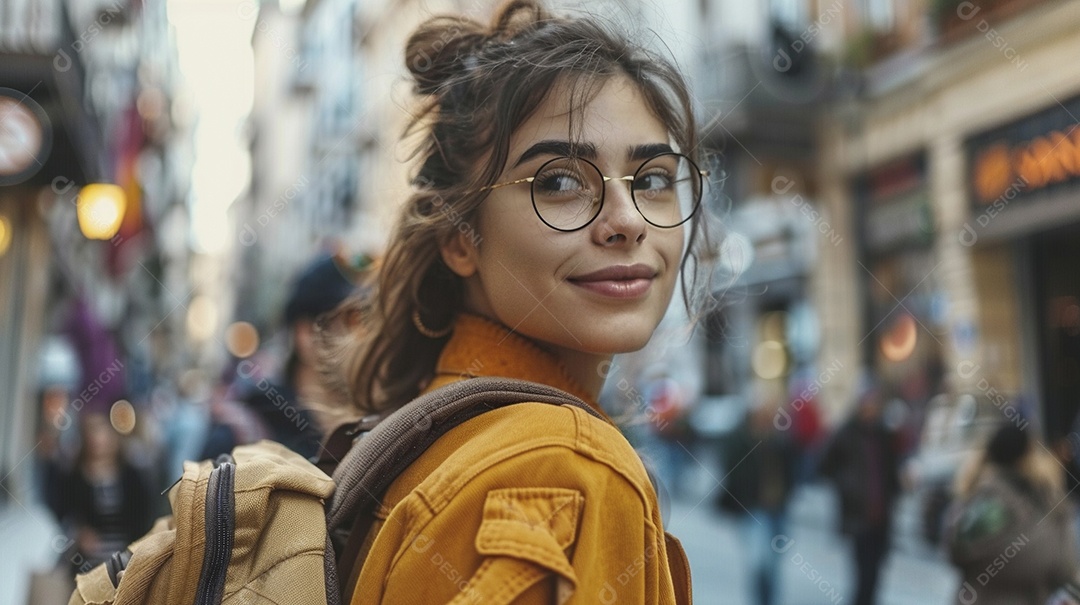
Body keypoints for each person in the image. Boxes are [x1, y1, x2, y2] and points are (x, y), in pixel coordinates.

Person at [317, 1, 712, 602]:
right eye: (559, 182)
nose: (627, 221)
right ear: (458, 239)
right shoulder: (564, 468)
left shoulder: (425, 430)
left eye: (652, 179)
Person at [945, 422, 1078, 605]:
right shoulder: (1047, 507)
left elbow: (956, 549)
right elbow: (1064, 568)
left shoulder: (978, 497)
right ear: (1029, 455)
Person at [819, 377, 903, 605]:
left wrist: (898, 488)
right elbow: (824, 466)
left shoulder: (884, 434)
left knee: (876, 575)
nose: (871, 408)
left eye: (875, 403)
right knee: (863, 576)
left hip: (881, 514)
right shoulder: (846, 433)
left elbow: (891, 470)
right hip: (858, 516)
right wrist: (847, 484)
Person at [45, 412, 154, 576]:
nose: (97, 440)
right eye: (92, 432)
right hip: (87, 562)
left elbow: (144, 514)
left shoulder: (131, 475)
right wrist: (78, 533)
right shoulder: (74, 475)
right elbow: (61, 511)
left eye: (102, 432)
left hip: (124, 559)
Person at [716, 399, 795, 605]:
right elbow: (731, 470)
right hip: (753, 509)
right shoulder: (741, 439)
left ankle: (770, 599)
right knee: (759, 562)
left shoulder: (778, 440)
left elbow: (791, 469)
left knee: (773, 563)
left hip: (777, 508)